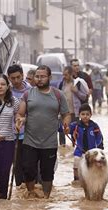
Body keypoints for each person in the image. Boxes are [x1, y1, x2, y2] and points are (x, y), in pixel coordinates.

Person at [15, 65, 70, 199]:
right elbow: (20, 113)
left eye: (42, 76)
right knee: (28, 170)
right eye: (37, 76)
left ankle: (46, 198)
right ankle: (31, 194)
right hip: (30, 140)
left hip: (49, 142)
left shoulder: (58, 95)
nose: (39, 79)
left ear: (49, 78)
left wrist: (66, 123)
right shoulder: (28, 94)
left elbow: (66, 114)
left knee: (47, 173)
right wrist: (19, 120)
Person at [7, 64, 31, 187]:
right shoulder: (6, 92)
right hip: (11, 135)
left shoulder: (31, 91)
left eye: (18, 77)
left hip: (28, 135)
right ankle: (19, 189)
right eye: (13, 78)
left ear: (22, 75)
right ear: (9, 78)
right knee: (16, 166)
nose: (16, 80)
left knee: (28, 165)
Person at [69, 103, 104, 181]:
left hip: (92, 152)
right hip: (79, 151)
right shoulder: (76, 125)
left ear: (91, 115)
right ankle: (76, 180)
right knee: (76, 162)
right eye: (83, 114)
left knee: (93, 167)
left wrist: (97, 147)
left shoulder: (94, 126)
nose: (85, 116)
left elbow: (99, 138)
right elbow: (66, 129)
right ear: (79, 115)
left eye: (87, 114)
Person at [58, 65, 88, 146]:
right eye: (63, 74)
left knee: (74, 132)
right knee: (61, 132)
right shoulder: (61, 84)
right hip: (63, 112)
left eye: (66, 75)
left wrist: (76, 91)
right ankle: (62, 150)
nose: (64, 76)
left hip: (74, 112)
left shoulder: (77, 83)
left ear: (71, 74)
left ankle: (74, 148)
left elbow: (84, 96)